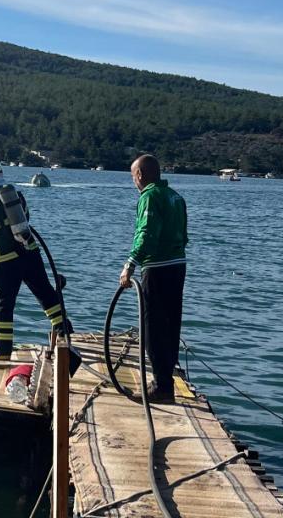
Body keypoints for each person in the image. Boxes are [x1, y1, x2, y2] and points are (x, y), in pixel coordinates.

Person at [0, 154, 71, 360]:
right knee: (46, 293)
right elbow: (26, 218)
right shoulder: (15, 192)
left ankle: (1, 350)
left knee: (3, 304)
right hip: (31, 252)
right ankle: (64, 331)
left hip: (6, 260)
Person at [119, 154, 188, 403]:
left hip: (157, 266)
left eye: (132, 176)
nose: (133, 182)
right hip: (178, 265)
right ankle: (165, 379)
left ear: (139, 175)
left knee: (152, 326)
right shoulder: (175, 197)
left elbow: (146, 232)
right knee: (170, 324)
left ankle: (161, 387)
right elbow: (184, 233)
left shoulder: (149, 196)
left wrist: (130, 264)